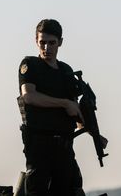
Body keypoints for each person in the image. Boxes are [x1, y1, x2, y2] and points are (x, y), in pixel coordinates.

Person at [17, 19, 85, 196]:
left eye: (52, 43)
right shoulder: (30, 65)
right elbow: (29, 96)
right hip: (39, 144)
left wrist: (93, 132)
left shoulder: (66, 71)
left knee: (69, 189)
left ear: (60, 42)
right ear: (36, 41)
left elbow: (76, 110)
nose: (47, 48)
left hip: (64, 145)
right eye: (43, 43)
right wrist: (64, 103)